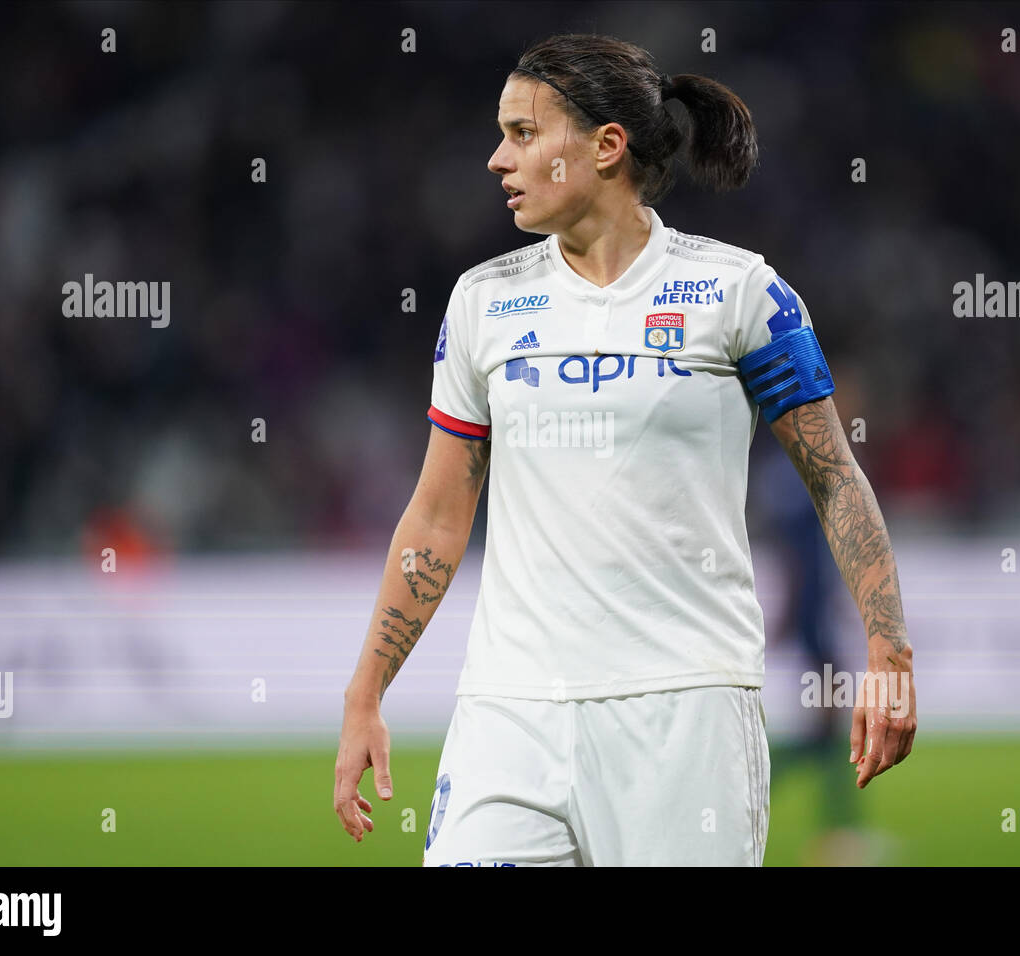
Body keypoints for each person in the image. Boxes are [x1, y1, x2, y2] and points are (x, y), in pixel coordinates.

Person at [334, 33, 915, 866]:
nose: (499, 159)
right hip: (511, 710)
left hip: (686, 713)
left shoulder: (740, 293)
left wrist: (888, 650)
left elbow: (834, 480)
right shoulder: (482, 304)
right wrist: (365, 694)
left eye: (524, 134)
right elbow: (435, 517)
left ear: (607, 146)